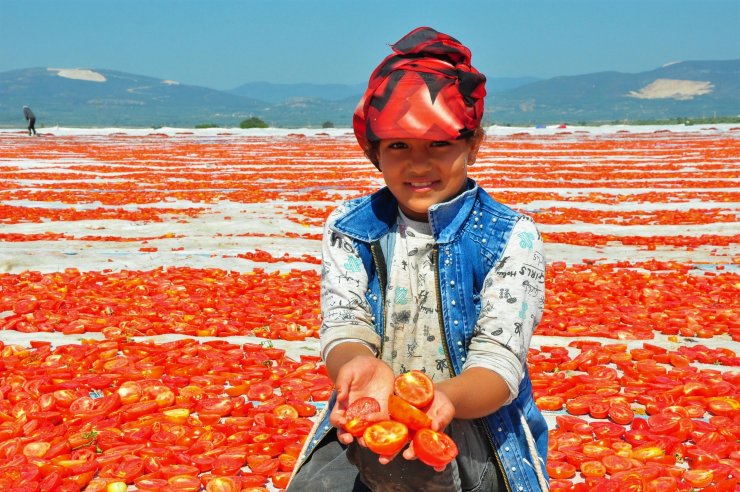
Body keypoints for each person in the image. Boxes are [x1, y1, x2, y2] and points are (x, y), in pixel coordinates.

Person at [288, 26, 549, 492]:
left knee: (422, 474)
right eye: (399, 146)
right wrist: (358, 368)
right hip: (374, 415)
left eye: (439, 145)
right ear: (374, 152)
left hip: (477, 427)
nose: (419, 164)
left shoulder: (511, 235)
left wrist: (436, 401)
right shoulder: (350, 226)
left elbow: (499, 366)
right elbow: (344, 323)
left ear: (473, 144)